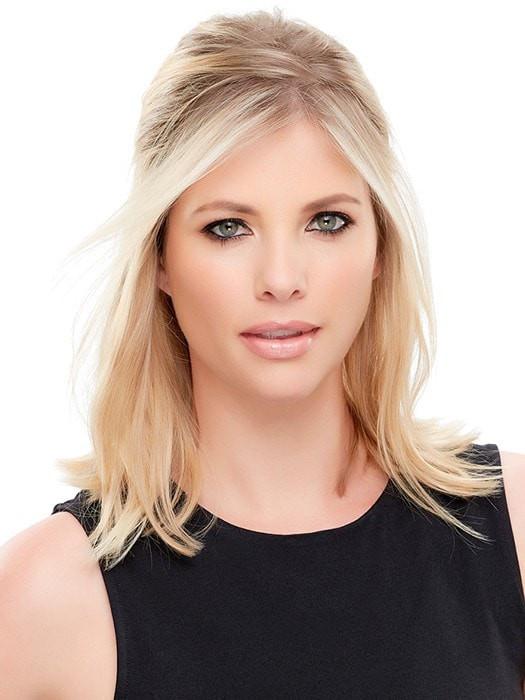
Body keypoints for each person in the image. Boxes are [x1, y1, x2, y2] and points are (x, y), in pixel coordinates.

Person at [1, 8, 524, 699]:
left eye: (327, 221)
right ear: (160, 258)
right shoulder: (48, 597)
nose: (281, 278)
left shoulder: (512, 531)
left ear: (379, 248)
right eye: (227, 228)